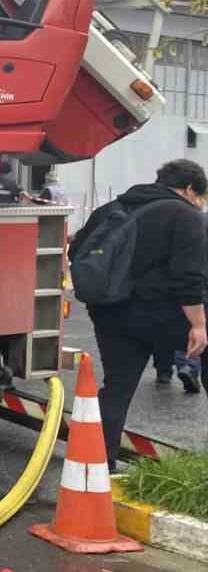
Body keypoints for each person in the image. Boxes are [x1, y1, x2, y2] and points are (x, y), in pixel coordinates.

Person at [68, 159, 208, 470]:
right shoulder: (185, 215)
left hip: (110, 313)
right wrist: (198, 324)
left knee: (117, 388)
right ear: (189, 190)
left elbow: (77, 252)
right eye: (201, 197)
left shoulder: (111, 208)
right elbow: (189, 278)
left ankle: (97, 466)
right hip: (161, 314)